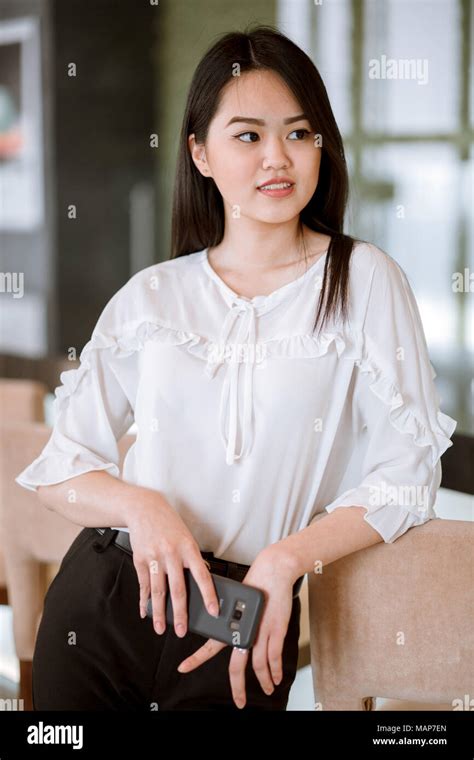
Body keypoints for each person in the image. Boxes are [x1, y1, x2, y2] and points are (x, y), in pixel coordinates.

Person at [15, 24, 457, 711]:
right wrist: (142, 505)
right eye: (248, 135)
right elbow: (61, 469)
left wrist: (286, 559)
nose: (277, 157)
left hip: (241, 620)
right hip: (104, 597)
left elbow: (410, 473)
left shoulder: (364, 280)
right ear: (200, 153)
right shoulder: (153, 295)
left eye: (299, 133)